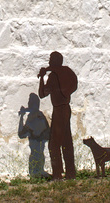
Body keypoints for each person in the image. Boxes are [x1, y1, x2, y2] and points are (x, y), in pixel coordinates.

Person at [38, 51, 78, 180]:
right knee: (67, 141)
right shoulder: (66, 72)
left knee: (54, 144)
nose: (49, 61)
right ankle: (71, 172)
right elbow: (74, 85)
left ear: (55, 61)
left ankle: (57, 174)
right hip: (66, 108)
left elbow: (42, 94)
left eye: (50, 59)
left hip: (59, 110)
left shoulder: (54, 76)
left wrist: (42, 78)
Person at [18, 93, 51, 179]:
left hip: (37, 150)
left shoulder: (35, 117)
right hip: (37, 150)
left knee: (36, 164)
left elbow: (22, 134)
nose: (28, 104)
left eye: (30, 102)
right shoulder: (39, 116)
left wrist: (22, 116)